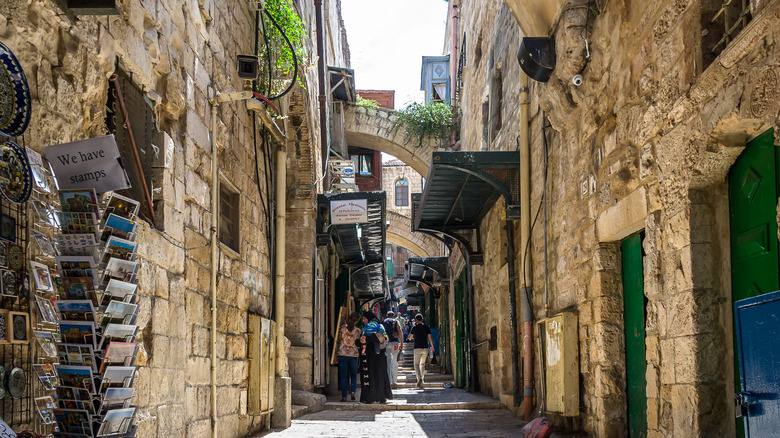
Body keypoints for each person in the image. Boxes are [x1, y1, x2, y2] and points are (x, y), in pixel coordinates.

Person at [358, 311, 393, 403]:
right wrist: (361, 341)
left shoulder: (378, 327)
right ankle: (369, 397)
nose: (363, 320)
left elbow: (382, 338)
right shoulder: (365, 328)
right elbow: (359, 341)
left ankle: (381, 397)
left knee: (379, 376)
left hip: (378, 357)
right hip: (369, 358)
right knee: (370, 377)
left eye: (365, 318)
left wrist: (367, 339)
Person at [336, 312, 361, 402]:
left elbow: (339, 339)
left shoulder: (343, 328)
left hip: (342, 353)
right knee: (353, 375)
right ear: (357, 320)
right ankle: (353, 392)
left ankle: (344, 396)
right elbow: (358, 344)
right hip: (353, 354)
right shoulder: (358, 331)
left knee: (343, 376)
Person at [407, 313, 434, 388]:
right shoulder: (426, 327)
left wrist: (411, 338)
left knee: (416, 364)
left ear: (416, 320)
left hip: (417, 348)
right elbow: (430, 337)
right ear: (422, 319)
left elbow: (409, 337)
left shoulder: (414, 328)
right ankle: (422, 379)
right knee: (422, 364)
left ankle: (419, 378)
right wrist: (432, 346)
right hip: (425, 348)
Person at [382, 311, 404, 387]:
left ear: (387, 315)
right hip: (395, 344)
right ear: (393, 315)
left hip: (387, 343)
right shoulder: (396, 321)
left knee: (388, 362)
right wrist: (401, 343)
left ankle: (389, 380)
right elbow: (400, 332)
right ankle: (394, 381)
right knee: (395, 361)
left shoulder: (384, 322)